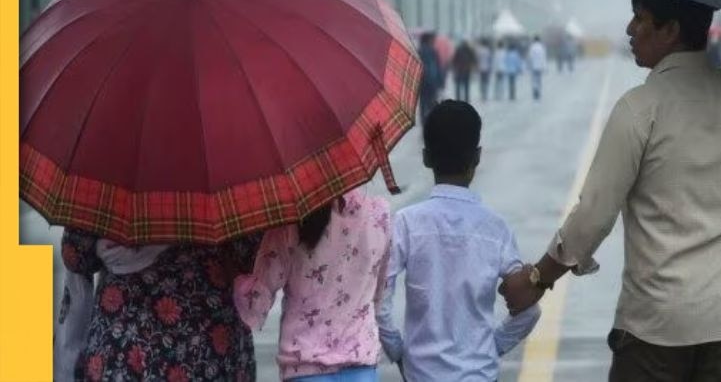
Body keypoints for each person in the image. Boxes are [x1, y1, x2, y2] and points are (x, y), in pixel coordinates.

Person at [502, 0, 721, 382]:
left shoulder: (640, 108)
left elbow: (593, 216)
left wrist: (536, 279)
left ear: (670, 30)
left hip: (656, 324)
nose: (629, 29)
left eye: (640, 18)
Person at [377, 101, 540, 380]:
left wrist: (398, 351)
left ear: (426, 158)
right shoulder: (496, 229)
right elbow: (529, 311)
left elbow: (379, 302)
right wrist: (493, 347)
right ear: (477, 157)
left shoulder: (406, 223)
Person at [56, 229, 260, 381]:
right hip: (208, 342)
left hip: (126, 340)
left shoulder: (104, 178)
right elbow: (251, 252)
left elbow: (77, 255)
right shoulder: (223, 174)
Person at [234, 187, 392, 381]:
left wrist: (237, 279)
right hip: (361, 366)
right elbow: (379, 291)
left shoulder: (292, 221)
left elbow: (256, 301)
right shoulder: (380, 213)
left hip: (305, 367)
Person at [418, 31, 444, 126]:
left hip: (421, 81)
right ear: (428, 40)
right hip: (432, 82)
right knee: (431, 101)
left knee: (423, 101)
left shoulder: (418, 50)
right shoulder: (433, 51)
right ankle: (430, 120)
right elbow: (437, 67)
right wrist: (441, 81)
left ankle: (423, 120)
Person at [451, 38, 478, 103]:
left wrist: (454, 67)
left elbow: (454, 60)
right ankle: (466, 98)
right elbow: (474, 60)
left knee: (458, 85)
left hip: (459, 70)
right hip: (467, 70)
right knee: (466, 85)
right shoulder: (470, 50)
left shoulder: (459, 50)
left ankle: (458, 98)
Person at [527, 35, 548, 100]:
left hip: (533, 66)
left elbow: (530, 57)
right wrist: (545, 67)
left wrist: (528, 65)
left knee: (534, 79)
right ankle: (538, 91)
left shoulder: (532, 47)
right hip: (540, 66)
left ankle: (535, 91)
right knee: (539, 79)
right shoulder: (542, 48)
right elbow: (544, 58)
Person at [477, 37, 494, 101]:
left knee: (481, 82)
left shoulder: (479, 50)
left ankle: (482, 94)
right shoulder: (488, 51)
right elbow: (490, 60)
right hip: (487, 68)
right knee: (486, 82)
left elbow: (477, 59)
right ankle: (485, 94)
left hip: (480, 68)